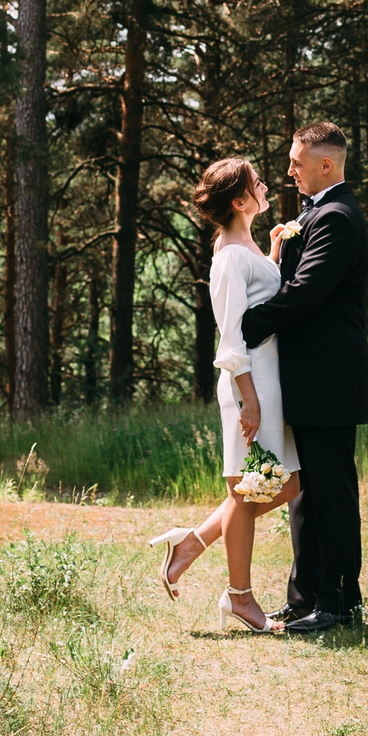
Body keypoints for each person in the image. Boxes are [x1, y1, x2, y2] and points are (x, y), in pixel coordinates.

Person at [146, 157, 302, 632]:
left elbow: (259, 300)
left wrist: (273, 253)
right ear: (239, 201)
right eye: (257, 183)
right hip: (248, 384)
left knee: (283, 484)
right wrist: (249, 399)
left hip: (266, 382)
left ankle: (192, 543)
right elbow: (231, 337)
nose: (266, 184)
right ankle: (240, 596)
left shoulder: (245, 246)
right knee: (253, 487)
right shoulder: (230, 256)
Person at [241, 122, 368, 634]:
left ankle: (340, 602)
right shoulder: (314, 214)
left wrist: (245, 325)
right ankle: (304, 599)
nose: (289, 170)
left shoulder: (338, 218)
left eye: (297, 162)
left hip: (331, 378)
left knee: (332, 494)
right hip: (306, 378)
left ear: (327, 164)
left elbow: (304, 293)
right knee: (305, 494)